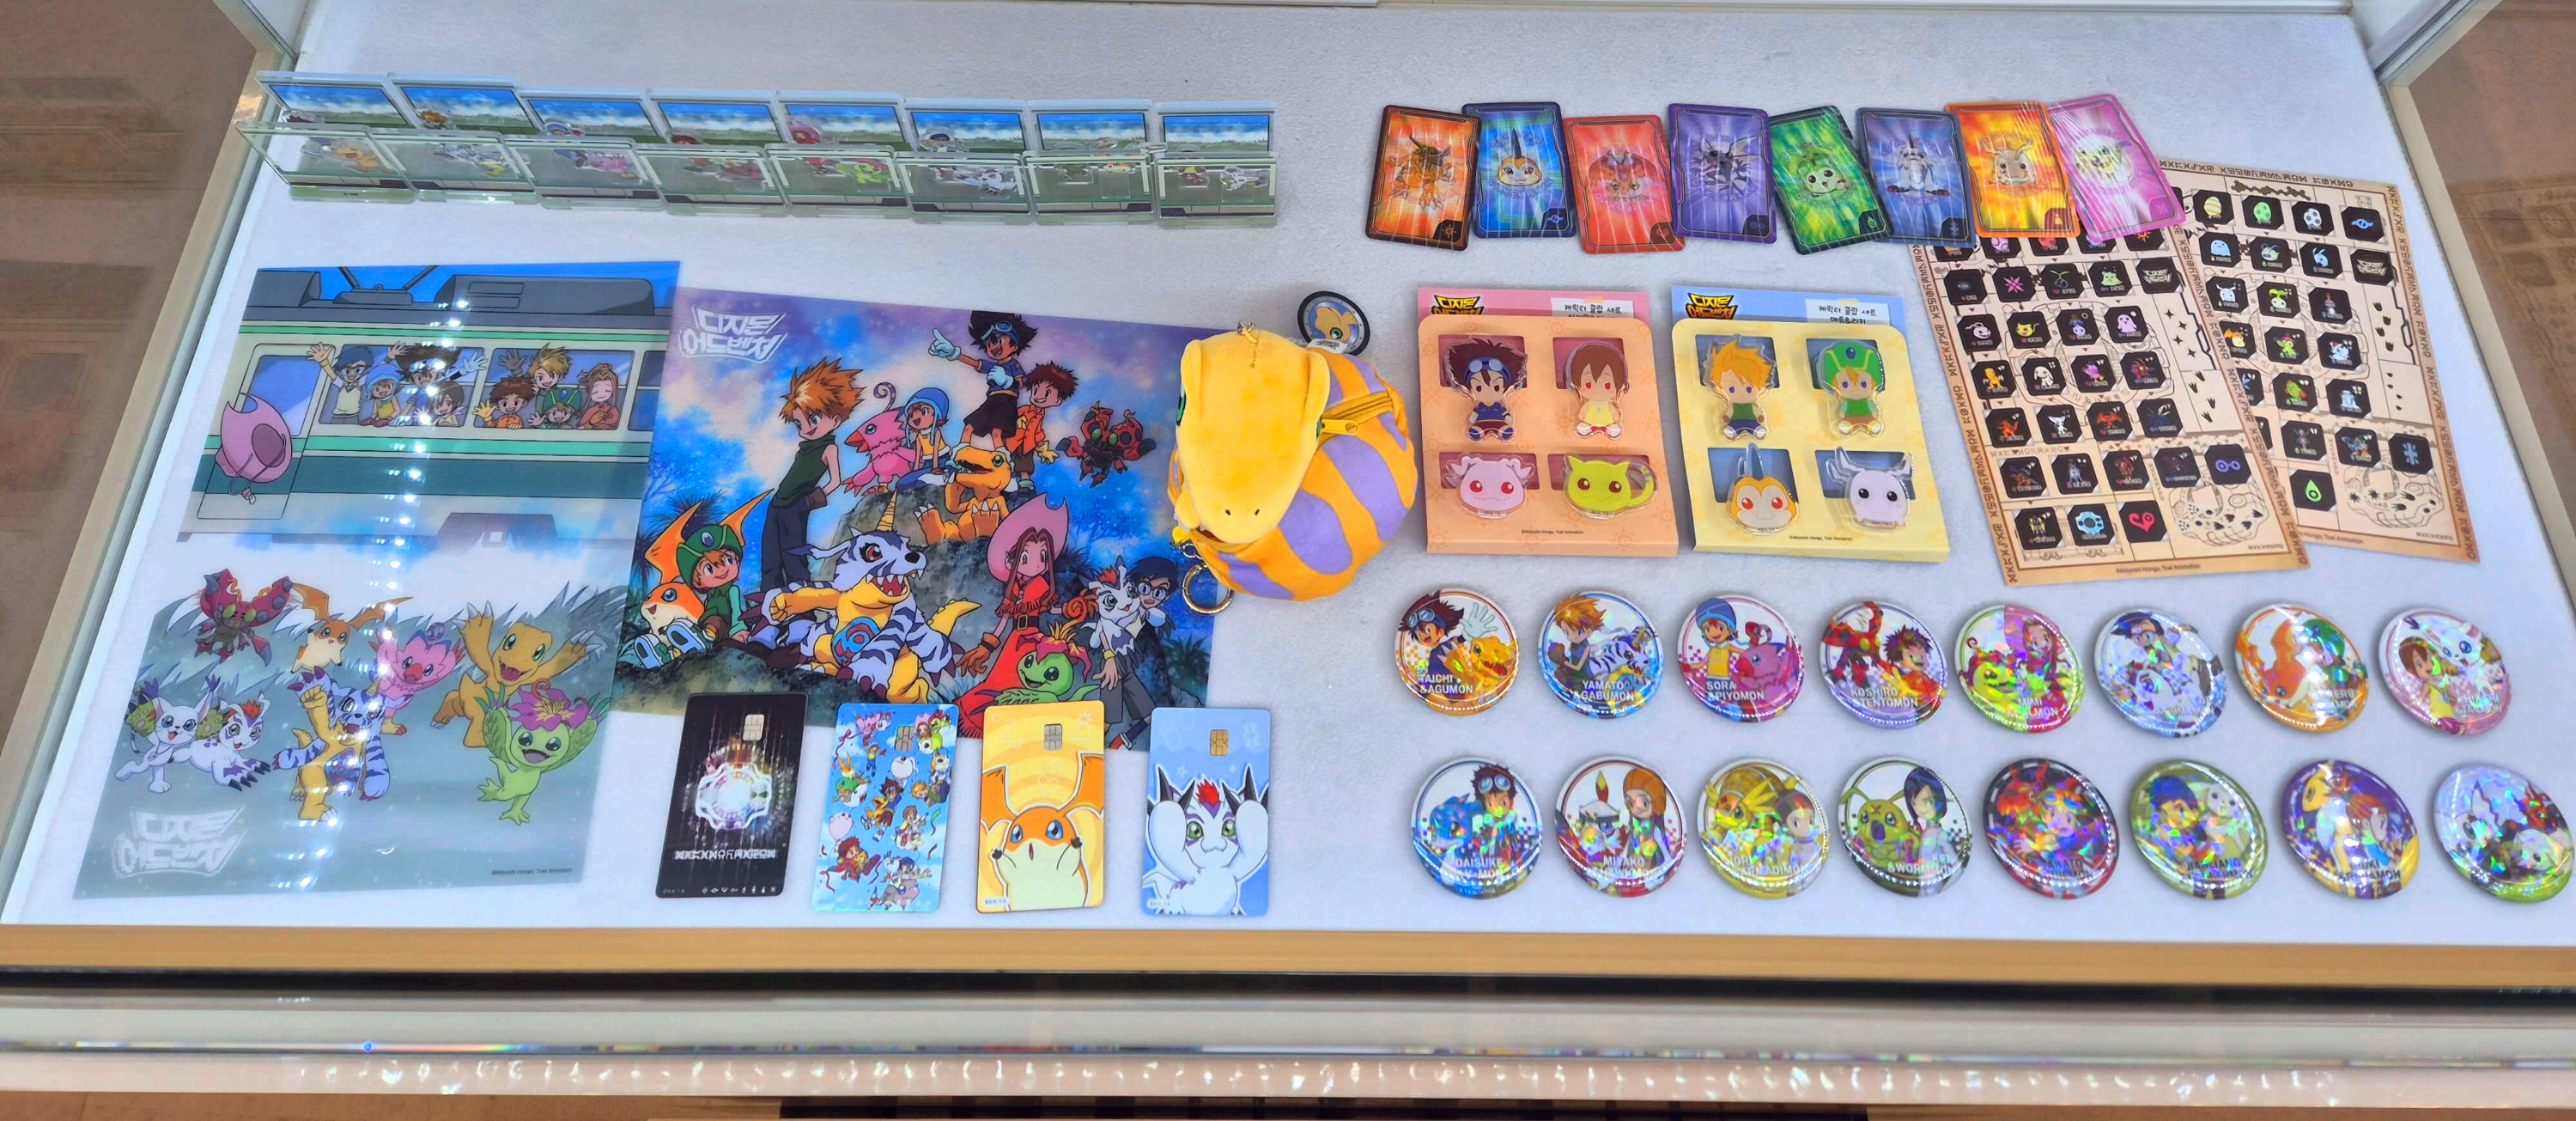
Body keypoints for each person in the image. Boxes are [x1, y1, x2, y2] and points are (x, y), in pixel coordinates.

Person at [762, 358, 861, 592]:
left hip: (797, 506)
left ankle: (801, 606)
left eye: (813, 419)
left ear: (835, 420)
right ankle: (768, 601)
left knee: (794, 557)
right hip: (777, 505)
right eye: (799, 423)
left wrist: (810, 501)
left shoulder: (829, 448)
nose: (805, 428)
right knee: (771, 558)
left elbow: (835, 481)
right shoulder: (804, 448)